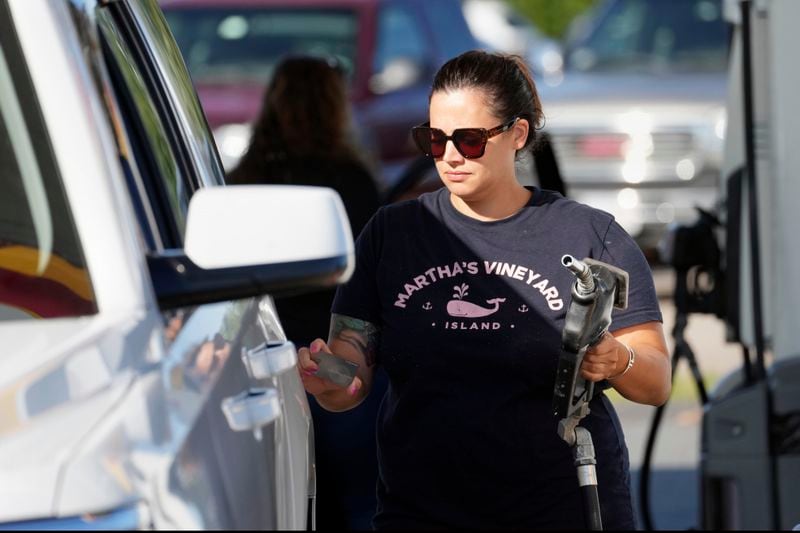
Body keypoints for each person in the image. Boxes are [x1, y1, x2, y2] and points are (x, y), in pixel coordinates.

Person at [296, 49, 671, 530]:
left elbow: (657, 380)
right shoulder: (393, 234)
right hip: (422, 510)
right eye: (434, 138)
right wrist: (329, 375)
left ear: (517, 135)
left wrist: (619, 360)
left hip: (559, 510)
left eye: (469, 140)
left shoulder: (590, 236)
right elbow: (352, 371)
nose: (449, 155)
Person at [227, 56, 385, 530]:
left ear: (273, 105)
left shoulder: (242, 182)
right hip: (333, 355)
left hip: (262, 358)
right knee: (361, 500)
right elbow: (371, 283)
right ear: (335, 108)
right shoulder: (351, 183)